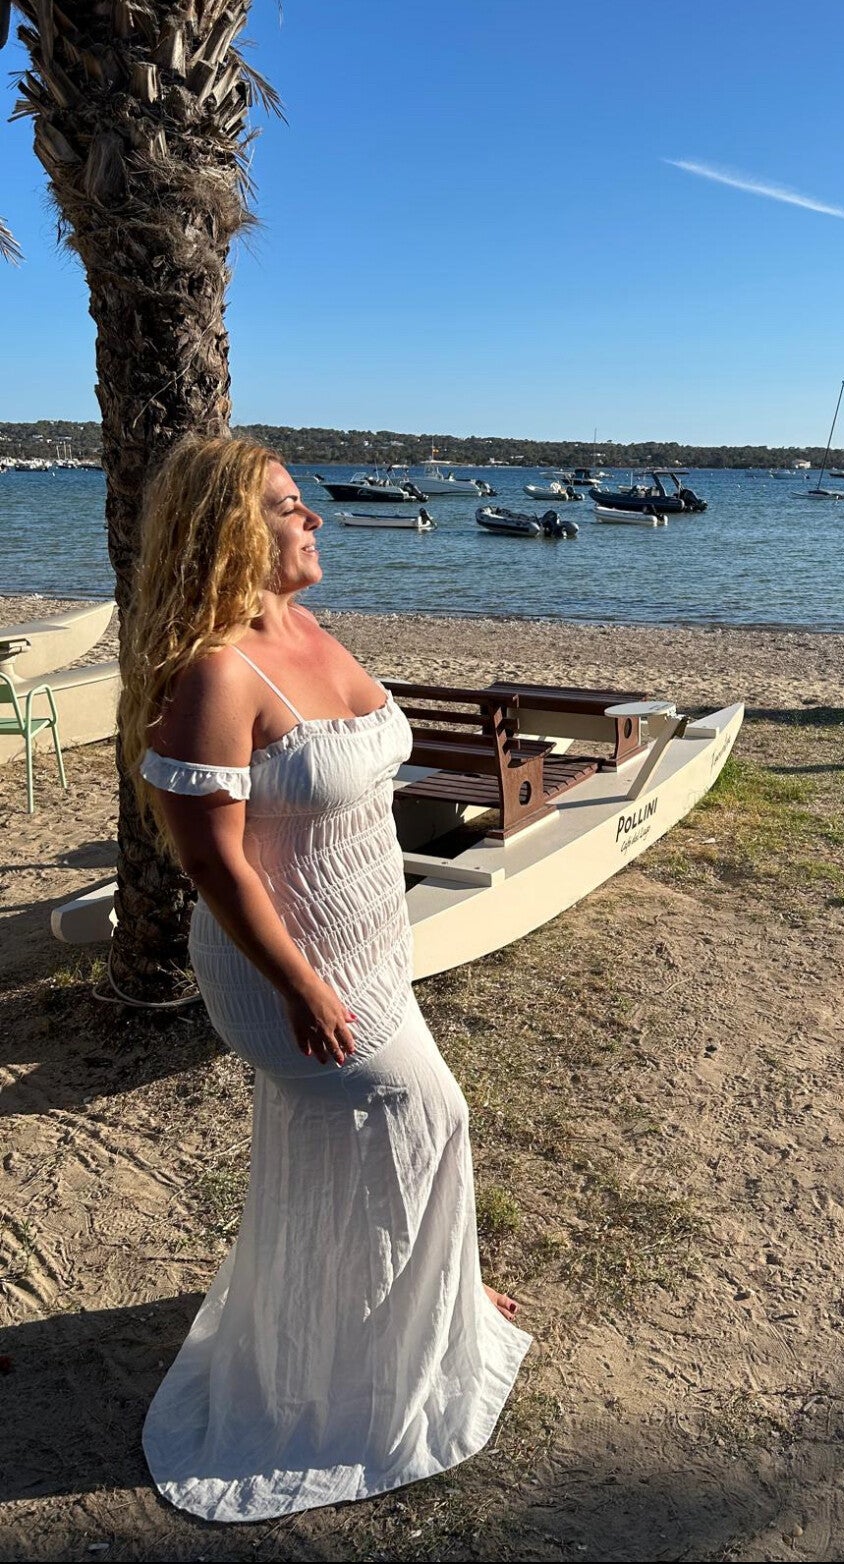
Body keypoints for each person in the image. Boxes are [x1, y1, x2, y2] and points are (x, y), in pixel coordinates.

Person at [123, 436, 529, 1523]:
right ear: (228, 531)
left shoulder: (308, 629)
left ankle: (433, 1300)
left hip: (370, 948)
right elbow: (213, 863)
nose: (314, 519)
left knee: (401, 1130)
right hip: (286, 971)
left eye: (305, 502)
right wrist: (302, 985)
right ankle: (383, 1344)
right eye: (288, 505)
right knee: (426, 1115)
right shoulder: (217, 674)